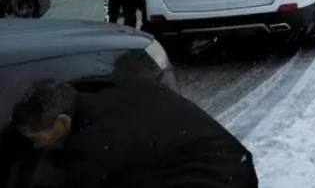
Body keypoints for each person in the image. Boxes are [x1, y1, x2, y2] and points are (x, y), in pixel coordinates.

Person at [10, 78, 258, 188]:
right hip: (236, 163)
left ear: (63, 123)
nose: (35, 146)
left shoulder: (92, 152)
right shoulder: (130, 88)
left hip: (221, 180)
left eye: (37, 137)